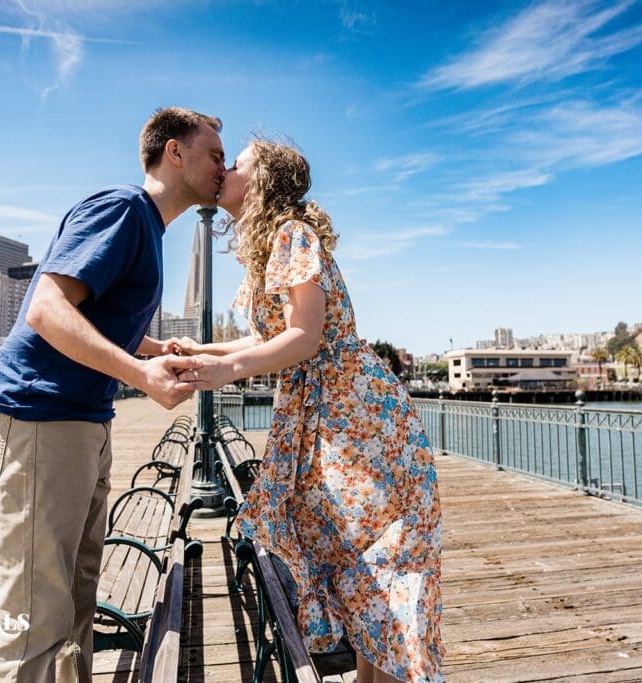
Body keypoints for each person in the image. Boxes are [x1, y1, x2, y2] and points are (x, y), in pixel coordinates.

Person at [171, 140, 443, 683]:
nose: (224, 170)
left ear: (263, 180)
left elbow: (305, 334)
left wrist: (227, 371)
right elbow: (265, 335)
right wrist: (195, 351)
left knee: (375, 562)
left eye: (237, 163)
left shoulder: (293, 234)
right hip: (327, 415)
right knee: (354, 558)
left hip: (355, 420)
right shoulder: (274, 246)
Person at [0, 107, 225, 682]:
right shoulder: (123, 210)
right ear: (174, 152)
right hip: (39, 416)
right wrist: (140, 377)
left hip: (79, 418)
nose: (222, 166)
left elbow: (97, 318)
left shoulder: (148, 228)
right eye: (213, 154)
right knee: (38, 615)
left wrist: (155, 348)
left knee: (77, 598)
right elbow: (47, 308)